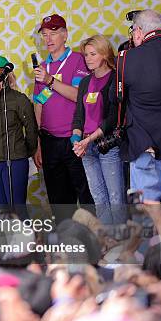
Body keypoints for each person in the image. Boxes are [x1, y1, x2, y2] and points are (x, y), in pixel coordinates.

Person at [121, 10, 161, 227]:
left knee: (144, 202)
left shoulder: (127, 58)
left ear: (138, 31)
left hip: (146, 141)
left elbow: (116, 99)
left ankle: (147, 254)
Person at [33, 14, 93, 222]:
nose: (48, 39)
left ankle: (94, 244)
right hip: (50, 142)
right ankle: (67, 245)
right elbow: (39, 103)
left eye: (54, 33)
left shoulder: (78, 59)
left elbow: (78, 95)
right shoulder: (42, 66)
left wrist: (50, 81)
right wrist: (38, 142)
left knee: (86, 197)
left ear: (65, 35)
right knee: (59, 201)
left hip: (75, 140)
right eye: (45, 34)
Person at [71, 35, 125, 224]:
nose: (88, 58)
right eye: (86, 54)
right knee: (99, 199)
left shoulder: (115, 77)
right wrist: (76, 140)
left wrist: (89, 139)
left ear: (104, 54)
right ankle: (107, 239)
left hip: (107, 145)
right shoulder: (85, 82)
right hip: (87, 147)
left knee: (116, 198)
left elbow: (112, 117)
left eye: (93, 54)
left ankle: (122, 241)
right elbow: (78, 116)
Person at [0, 56, 38, 211]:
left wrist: (25, 152)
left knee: (17, 209)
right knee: (0, 210)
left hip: (13, 161)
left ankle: (25, 235)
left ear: (4, 74)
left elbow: (31, 130)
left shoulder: (19, 100)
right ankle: (4, 236)